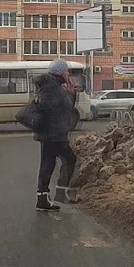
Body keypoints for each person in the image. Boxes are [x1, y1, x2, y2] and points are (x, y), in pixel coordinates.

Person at [31, 58, 80, 211]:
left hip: (51, 133)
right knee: (69, 159)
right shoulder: (52, 87)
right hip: (53, 134)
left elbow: (63, 109)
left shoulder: (52, 85)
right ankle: (60, 192)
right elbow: (58, 109)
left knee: (48, 164)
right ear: (60, 72)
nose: (68, 73)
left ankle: (43, 199)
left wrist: (70, 95)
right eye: (66, 71)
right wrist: (69, 96)